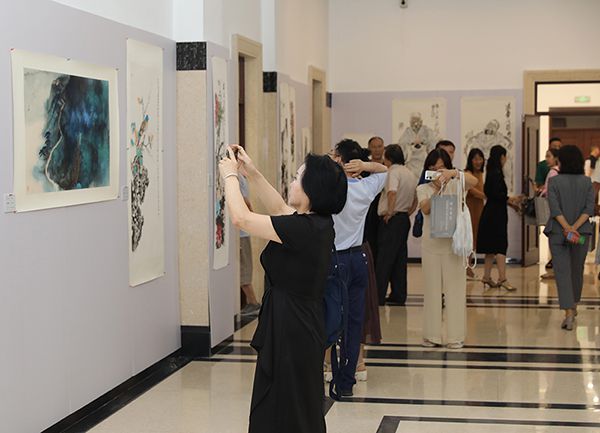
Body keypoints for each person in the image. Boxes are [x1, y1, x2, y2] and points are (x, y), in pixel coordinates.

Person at [219, 144, 347, 433]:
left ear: (312, 190)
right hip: (296, 322)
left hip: (293, 328)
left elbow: (241, 219)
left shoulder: (305, 229)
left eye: (297, 177)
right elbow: (278, 208)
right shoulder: (316, 223)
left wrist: (230, 176)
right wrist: (251, 172)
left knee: (288, 404)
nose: (292, 181)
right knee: (293, 402)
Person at [328, 139, 387, 397]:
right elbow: (383, 170)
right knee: (354, 323)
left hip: (334, 259)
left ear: (341, 160)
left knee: (329, 318)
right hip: (358, 258)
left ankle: (329, 368)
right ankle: (346, 382)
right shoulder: (365, 188)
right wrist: (365, 165)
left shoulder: (329, 190)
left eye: (334, 155)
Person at [417, 149, 477, 349]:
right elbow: (425, 208)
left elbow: (474, 182)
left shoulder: (457, 184)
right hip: (431, 246)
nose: (437, 172)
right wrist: (437, 189)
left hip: (454, 246)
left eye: (441, 168)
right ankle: (432, 335)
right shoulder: (423, 188)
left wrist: (454, 174)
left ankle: (455, 336)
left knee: (456, 291)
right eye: (433, 168)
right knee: (432, 292)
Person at [544, 145, 595, 331]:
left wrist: (566, 228)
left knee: (562, 271)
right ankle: (573, 305)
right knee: (576, 270)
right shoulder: (587, 182)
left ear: (561, 161)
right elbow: (589, 209)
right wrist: (574, 228)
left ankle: (568, 313)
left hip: (558, 233)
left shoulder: (554, 182)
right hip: (581, 235)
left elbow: (554, 208)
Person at [376, 144, 418, 305]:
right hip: (403, 218)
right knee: (400, 259)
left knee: (384, 259)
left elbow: (392, 192)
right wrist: (407, 212)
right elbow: (415, 198)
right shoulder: (409, 173)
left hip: (392, 219)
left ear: (389, 158)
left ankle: (378, 296)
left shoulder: (392, 172)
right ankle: (398, 295)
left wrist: (390, 212)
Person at [477, 145, 522, 291]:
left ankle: (486, 276)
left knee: (490, 247)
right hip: (496, 214)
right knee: (500, 246)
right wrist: (510, 199)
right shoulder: (496, 173)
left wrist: (510, 201)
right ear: (502, 157)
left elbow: (492, 194)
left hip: (490, 212)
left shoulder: (491, 171)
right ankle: (502, 278)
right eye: (505, 156)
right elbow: (497, 195)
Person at [238, 175, 261, 316]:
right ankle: (251, 303)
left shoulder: (238, 178)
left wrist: (252, 218)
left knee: (243, 269)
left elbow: (245, 202)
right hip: (241, 232)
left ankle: (253, 303)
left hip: (241, 233)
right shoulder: (241, 177)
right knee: (243, 268)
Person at [464, 148, 486, 280]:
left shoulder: (481, 173)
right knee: (469, 237)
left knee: (475, 237)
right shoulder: (467, 173)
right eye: (475, 159)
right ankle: (466, 267)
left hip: (479, 209)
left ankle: (469, 266)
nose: (478, 162)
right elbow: (472, 191)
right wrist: (488, 196)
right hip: (470, 209)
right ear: (470, 160)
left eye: (480, 158)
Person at [398, 112, 437, 178]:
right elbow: (402, 144)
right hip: (411, 160)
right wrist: (411, 143)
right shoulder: (407, 131)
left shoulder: (427, 131)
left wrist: (423, 142)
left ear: (421, 121)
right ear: (410, 122)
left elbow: (432, 144)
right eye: (413, 121)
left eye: (417, 120)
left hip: (423, 160)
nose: (415, 123)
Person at [584, 145, 600, 214]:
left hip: (592, 181)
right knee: (592, 199)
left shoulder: (589, 160)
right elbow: (589, 172)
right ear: (595, 151)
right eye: (597, 150)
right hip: (593, 181)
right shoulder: (591, 160)